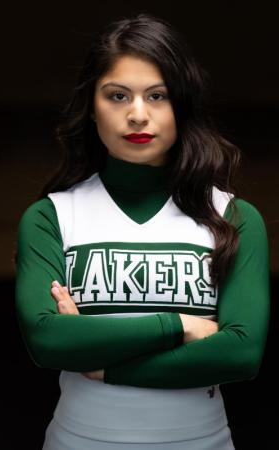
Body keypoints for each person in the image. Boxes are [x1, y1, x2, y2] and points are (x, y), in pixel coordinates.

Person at [15, 13, 270, 450]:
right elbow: (48, 340)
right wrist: (182, 325)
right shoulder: (50, 217)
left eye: (157, 96)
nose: (137, 114)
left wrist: (102, 363)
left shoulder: (235, 217)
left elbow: (240, 354)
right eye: (117, 96)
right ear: (91, 108)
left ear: (182, 106)